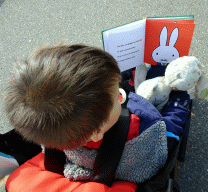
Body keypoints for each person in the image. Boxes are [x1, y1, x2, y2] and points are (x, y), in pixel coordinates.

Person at [4, 44, 190, 184]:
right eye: (118, 95)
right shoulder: (146, 127)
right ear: (96, 133)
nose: (120, 92)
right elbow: (168, 133)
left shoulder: (54, 136)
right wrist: (180, 102)